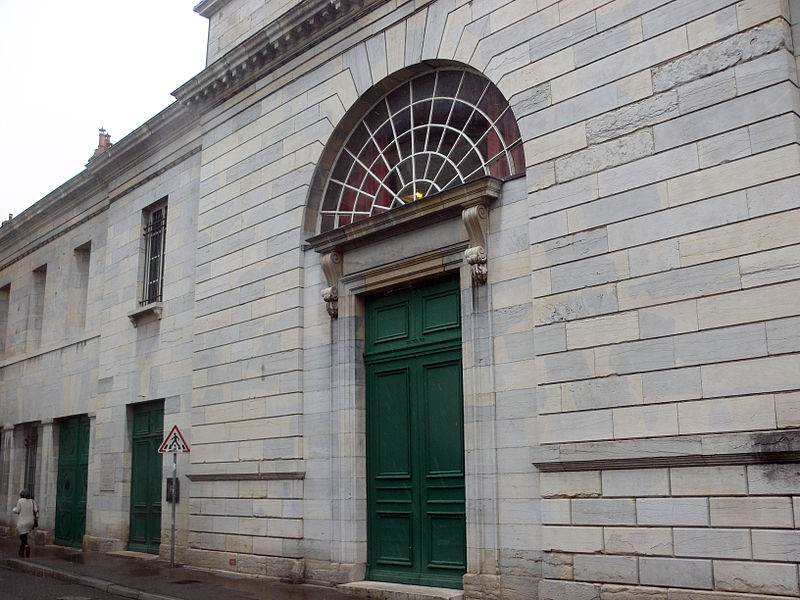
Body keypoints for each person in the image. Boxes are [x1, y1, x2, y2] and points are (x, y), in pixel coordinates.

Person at [12, 489, 38, 557]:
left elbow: (17, 510)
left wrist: (13, 509)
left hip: (22, 522)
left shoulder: (20, 501)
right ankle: (21, 551)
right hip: (31, 522)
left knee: (22, 536)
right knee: (24, 535)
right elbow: (36, 510)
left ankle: (26, 546)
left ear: (22, 495)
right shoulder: (32, 501)